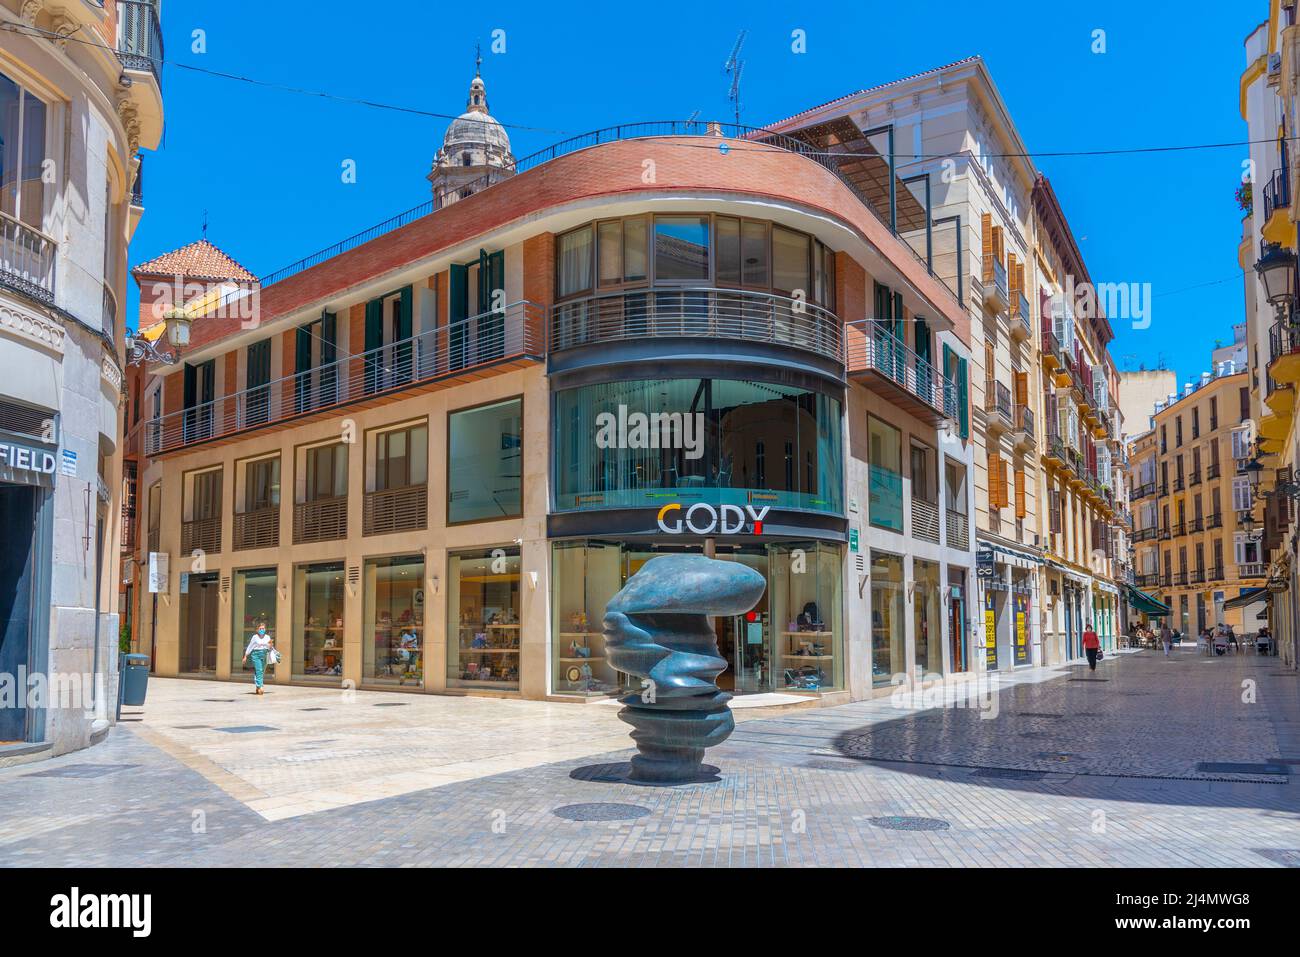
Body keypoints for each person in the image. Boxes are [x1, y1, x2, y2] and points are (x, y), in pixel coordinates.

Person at [241, 624, 276, 695]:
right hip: (256, 654)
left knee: (261, 671)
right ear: (257, 630)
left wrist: (271, 644)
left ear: (265, 629)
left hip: (265, 654)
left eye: (263, 628)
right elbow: (250, 646)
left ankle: (257, 686)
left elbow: (270, 647)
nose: (261, 630)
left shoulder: (267, 637)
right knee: (259, 670)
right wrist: (245, 656)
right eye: (260, 629)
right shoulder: (255, 637)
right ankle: (260, 687)